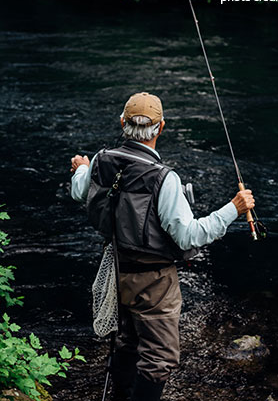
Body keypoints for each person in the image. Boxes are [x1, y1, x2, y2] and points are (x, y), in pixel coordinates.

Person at [70, 92, 255, 401]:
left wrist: (81, 167)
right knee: (160, 360)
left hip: (116, 269)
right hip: (154, 282)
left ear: (122, 123)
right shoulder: (163, 178)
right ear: (161, 127)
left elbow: (80, 192)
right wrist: (233, 209)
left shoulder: (101, 160)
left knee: (126, 343)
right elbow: (189, 237)